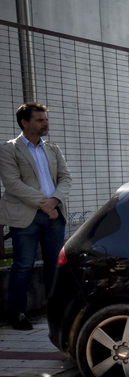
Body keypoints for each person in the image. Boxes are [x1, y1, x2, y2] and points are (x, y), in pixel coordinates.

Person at [0, 103, 72, 330]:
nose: (46, 123)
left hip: (54, 216)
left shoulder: (53, 149)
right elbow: (12, 184)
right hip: (26, 216)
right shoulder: (9, 149)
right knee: (23, 264)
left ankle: (55, 309)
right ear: (25, 122)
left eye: (45, 120)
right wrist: (45, 204)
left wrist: (54, 202)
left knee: (54, 265)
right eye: (40, 120)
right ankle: (17, 313)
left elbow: (66, 178)